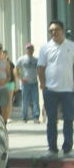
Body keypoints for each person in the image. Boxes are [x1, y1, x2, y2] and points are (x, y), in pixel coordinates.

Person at [37, 20, 74, 157]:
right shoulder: (45, 48)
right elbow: (40, 68)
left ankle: (68, 148)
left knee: (69, 120)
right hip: (50, 90)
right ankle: (52, 149)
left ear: (63, 30)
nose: (53, 32)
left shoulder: (71, 46)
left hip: (68, 90)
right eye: (51, 30)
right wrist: (43, 84)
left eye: (56, 29)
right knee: (51, 120)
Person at [16, 43, 40, 123]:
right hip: (25, 83)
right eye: (28, 48)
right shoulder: (21, 59)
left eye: (31, 48)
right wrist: (20, 78)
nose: (29, 50)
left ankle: (36, 117)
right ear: (26, 50)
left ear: (33, 50)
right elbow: (17, 69)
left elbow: (40, 69)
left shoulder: (36, 60)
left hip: (34, 82)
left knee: (35, 100)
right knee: (25, 100)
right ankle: (24, 117)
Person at [2, 50, 16, 122]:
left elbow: (15, 74)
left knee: (9, 101)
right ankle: (4, 116)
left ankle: (8, 117)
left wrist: (16, 84)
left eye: (5, 54)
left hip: (10, 83)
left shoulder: (11, 63)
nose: (4, 55)